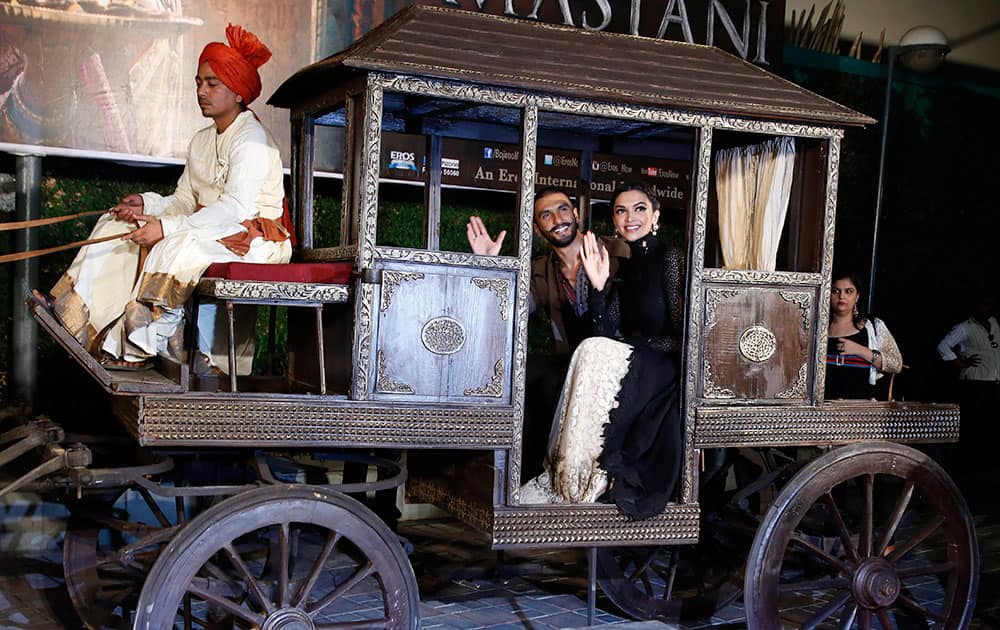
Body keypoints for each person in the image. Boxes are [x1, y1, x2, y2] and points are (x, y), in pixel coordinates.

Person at [39, 24, 292, 373]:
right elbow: (185, 201)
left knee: (179, 245)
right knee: (117, 223)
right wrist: (146, 206)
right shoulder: (202, 141)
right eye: (198, 82)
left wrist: (167, 227)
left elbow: (236, 209)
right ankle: (74, 318)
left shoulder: (252, 140)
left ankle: (136, 348)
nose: (201, 91)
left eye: (212, 83)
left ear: (238, 93)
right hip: (211, 229)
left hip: (256, 240)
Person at [519, 181, 684, 519]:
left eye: (639, 208)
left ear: (655, 215)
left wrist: (635, 347)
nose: (630, 217)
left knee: (594, 352)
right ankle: (564, 477)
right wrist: (597, 287)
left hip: (664, 364)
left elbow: (685, 335)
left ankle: (585, 480)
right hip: (635, 360)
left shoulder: (671, 258)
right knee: (590, 349)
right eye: (621, 211)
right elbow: (604, 332)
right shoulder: (622, 266)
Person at [467, 187, 629, 480]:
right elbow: (506, 318)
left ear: (576, 214)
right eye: (546, 215)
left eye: (563, 209)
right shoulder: (539, 271)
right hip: (570, 366)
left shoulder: (617, 253)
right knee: (525, 375)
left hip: (621, 364)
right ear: (539, 230)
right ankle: (520, 481)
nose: (558, 219)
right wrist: (490, 268)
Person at [935, 294, 1000, 473]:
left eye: (989, 304)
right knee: (973, 427)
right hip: (974, 383)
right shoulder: (966, 327)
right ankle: (966, 468)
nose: (986, 308)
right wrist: (961, 363)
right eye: (983, 304)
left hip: (993, 382)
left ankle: (983, 467)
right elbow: (943, 346)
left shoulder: (995, 324)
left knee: (988, 426)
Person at [825, 272, 902, 400]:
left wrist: (859, 350)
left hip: (860, 409)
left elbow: (896, 364)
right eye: (835, 291)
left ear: (857, 296)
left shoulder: (872, 327)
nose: (841, 296)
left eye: (848, 291)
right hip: (823, 409)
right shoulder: (817, 327)